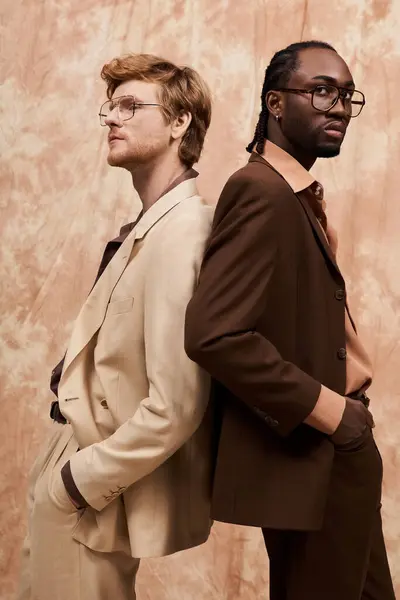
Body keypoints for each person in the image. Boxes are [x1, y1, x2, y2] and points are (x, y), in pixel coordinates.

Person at [185, 41, 395, 600]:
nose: (339, 107)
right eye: (322, 90)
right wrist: (334, 416)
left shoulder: (294, 193)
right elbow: (215, 334)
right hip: (315, 451)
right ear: (275, 103)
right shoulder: (261, 190)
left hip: (337, 454)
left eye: (347, 95)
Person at [18, 52, 214, 600]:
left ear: (180, 124)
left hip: (90, 489)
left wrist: (76, 483)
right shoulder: (146, 228)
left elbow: (176, 404)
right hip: (72, 466)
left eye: (131, 106)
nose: (110, 117)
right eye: (110, 106)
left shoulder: (184, 235)